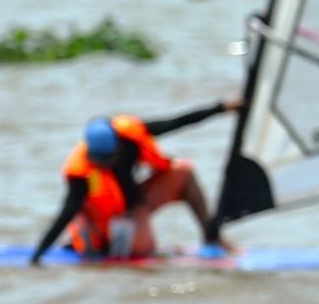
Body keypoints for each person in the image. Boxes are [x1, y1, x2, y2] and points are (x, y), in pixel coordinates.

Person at [30, 97, 243, 263]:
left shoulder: (131, 136)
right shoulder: (82, 172)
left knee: (184, 171)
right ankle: (101, 245)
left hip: (132, 209)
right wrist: (38, 255)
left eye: (107, 159)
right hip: (101, 221)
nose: (103, 165)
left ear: (117, 146)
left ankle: (212, 238)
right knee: (143, 255)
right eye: (98, 161)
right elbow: (65, 213)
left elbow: (178, 121)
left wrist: (222, 108)